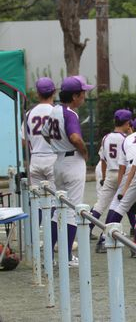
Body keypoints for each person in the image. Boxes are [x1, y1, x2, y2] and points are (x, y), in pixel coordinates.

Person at [42, 75, 94, 267]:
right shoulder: (70, 113)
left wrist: (58, 145)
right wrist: (85, 152)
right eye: (83, 93)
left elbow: (46, 134)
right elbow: (75, 137)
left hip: (58, 161)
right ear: (74, 96)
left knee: (59, 209)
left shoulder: (54, 110)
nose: (84, 97)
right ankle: (67, 257)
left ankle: (53, 253)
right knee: (72, 209)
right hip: (72, 161)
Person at [89, 109, 132, 239]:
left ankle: (87, 228)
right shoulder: (126, 139)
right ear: (127, 123)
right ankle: (106, 234)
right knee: (122, 205)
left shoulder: (106, 137)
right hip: (122, 174)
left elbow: (102, 160)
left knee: (100, 205)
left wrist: (103, 176)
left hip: (110, 173)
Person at [23, 77, 57, 224]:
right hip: (53, 158)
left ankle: (34, 241)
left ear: (38, 93)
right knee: (56, 200)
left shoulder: (29, 113)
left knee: (35, 200)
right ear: (54, 92)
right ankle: (55, 241)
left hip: (35, 158)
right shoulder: (56, 111)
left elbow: (24, 140)